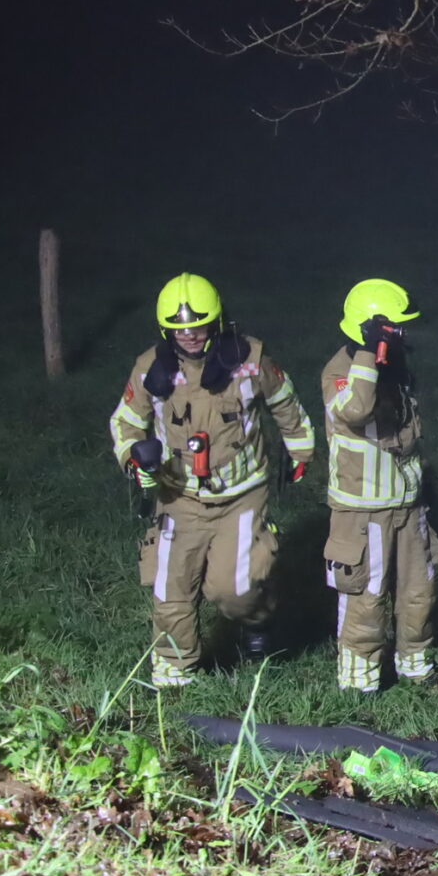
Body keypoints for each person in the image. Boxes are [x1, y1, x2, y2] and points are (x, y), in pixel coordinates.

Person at [109, 272, 315, 689]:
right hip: (178, 496)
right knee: (171, 587)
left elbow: (285, 402)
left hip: (241, 495)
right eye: (178, 329)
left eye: (199, 326)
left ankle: (257, 619)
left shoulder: (251, 359)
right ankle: (174, 670)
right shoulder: (150, 368)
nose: (189, 335)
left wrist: (300, 449)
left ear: (217, 321)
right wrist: (134, 458)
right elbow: (125, 422)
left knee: (234, 590)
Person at [320, 278, 438, 694]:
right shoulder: (340, 372)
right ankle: (359, 681)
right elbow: (356, 409)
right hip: (363, 509)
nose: (402, 334)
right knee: (366, 597)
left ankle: (416, 666)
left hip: (407, 505)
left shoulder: (396, 368)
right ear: (369, 329)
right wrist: (370, 352)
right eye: (393, 328)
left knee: (418, 590)